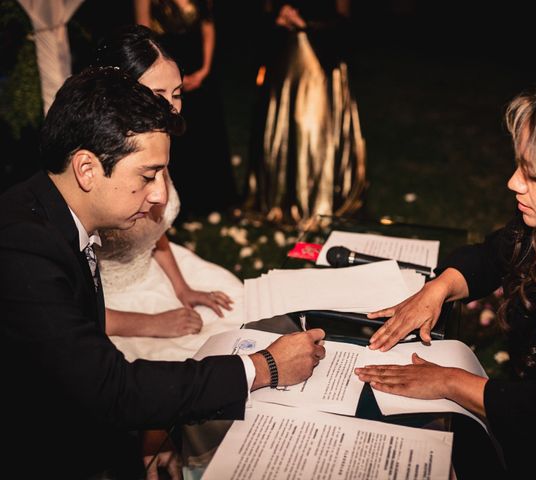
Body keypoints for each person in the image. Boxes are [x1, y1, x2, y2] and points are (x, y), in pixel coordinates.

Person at [0, 66, 326, 478]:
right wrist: (264, 367)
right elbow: (107, 391)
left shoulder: (53, 212)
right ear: (86, 169)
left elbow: (81, 353)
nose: (158, 195)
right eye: (147, 175)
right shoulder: (23, 251)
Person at [356, 77, 536, 478]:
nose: (512, 182)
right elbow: (494, 254)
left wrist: (451, 382)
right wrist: (438, 288)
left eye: (533, 173)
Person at [94, 24, 242, 362]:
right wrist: (152, 323)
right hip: (110, 307)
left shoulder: (152, 144)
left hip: (155, 268)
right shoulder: (99, 170)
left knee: (240, 313)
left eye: (177, 93)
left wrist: (181, 287)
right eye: (158, 94)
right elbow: (68, 306)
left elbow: (153, 230)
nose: (172, 108)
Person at [245, 0, 366, 224]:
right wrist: (277, 19)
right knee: (281, 123)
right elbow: (260, 15)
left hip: (321, 58)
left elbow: (345, 22)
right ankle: (279, 198)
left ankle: (319, 199)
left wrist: (306, 24)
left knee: (313, 126)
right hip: (284, 57)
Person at [134, 0, 239, 217]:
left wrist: (204, 69)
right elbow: (143, 37)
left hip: (198, 72)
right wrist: (166, 80)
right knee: (178, 139)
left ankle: (217, 197)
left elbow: (208, 27)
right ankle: (185, 204)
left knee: (208, 132)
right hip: (166, 71)